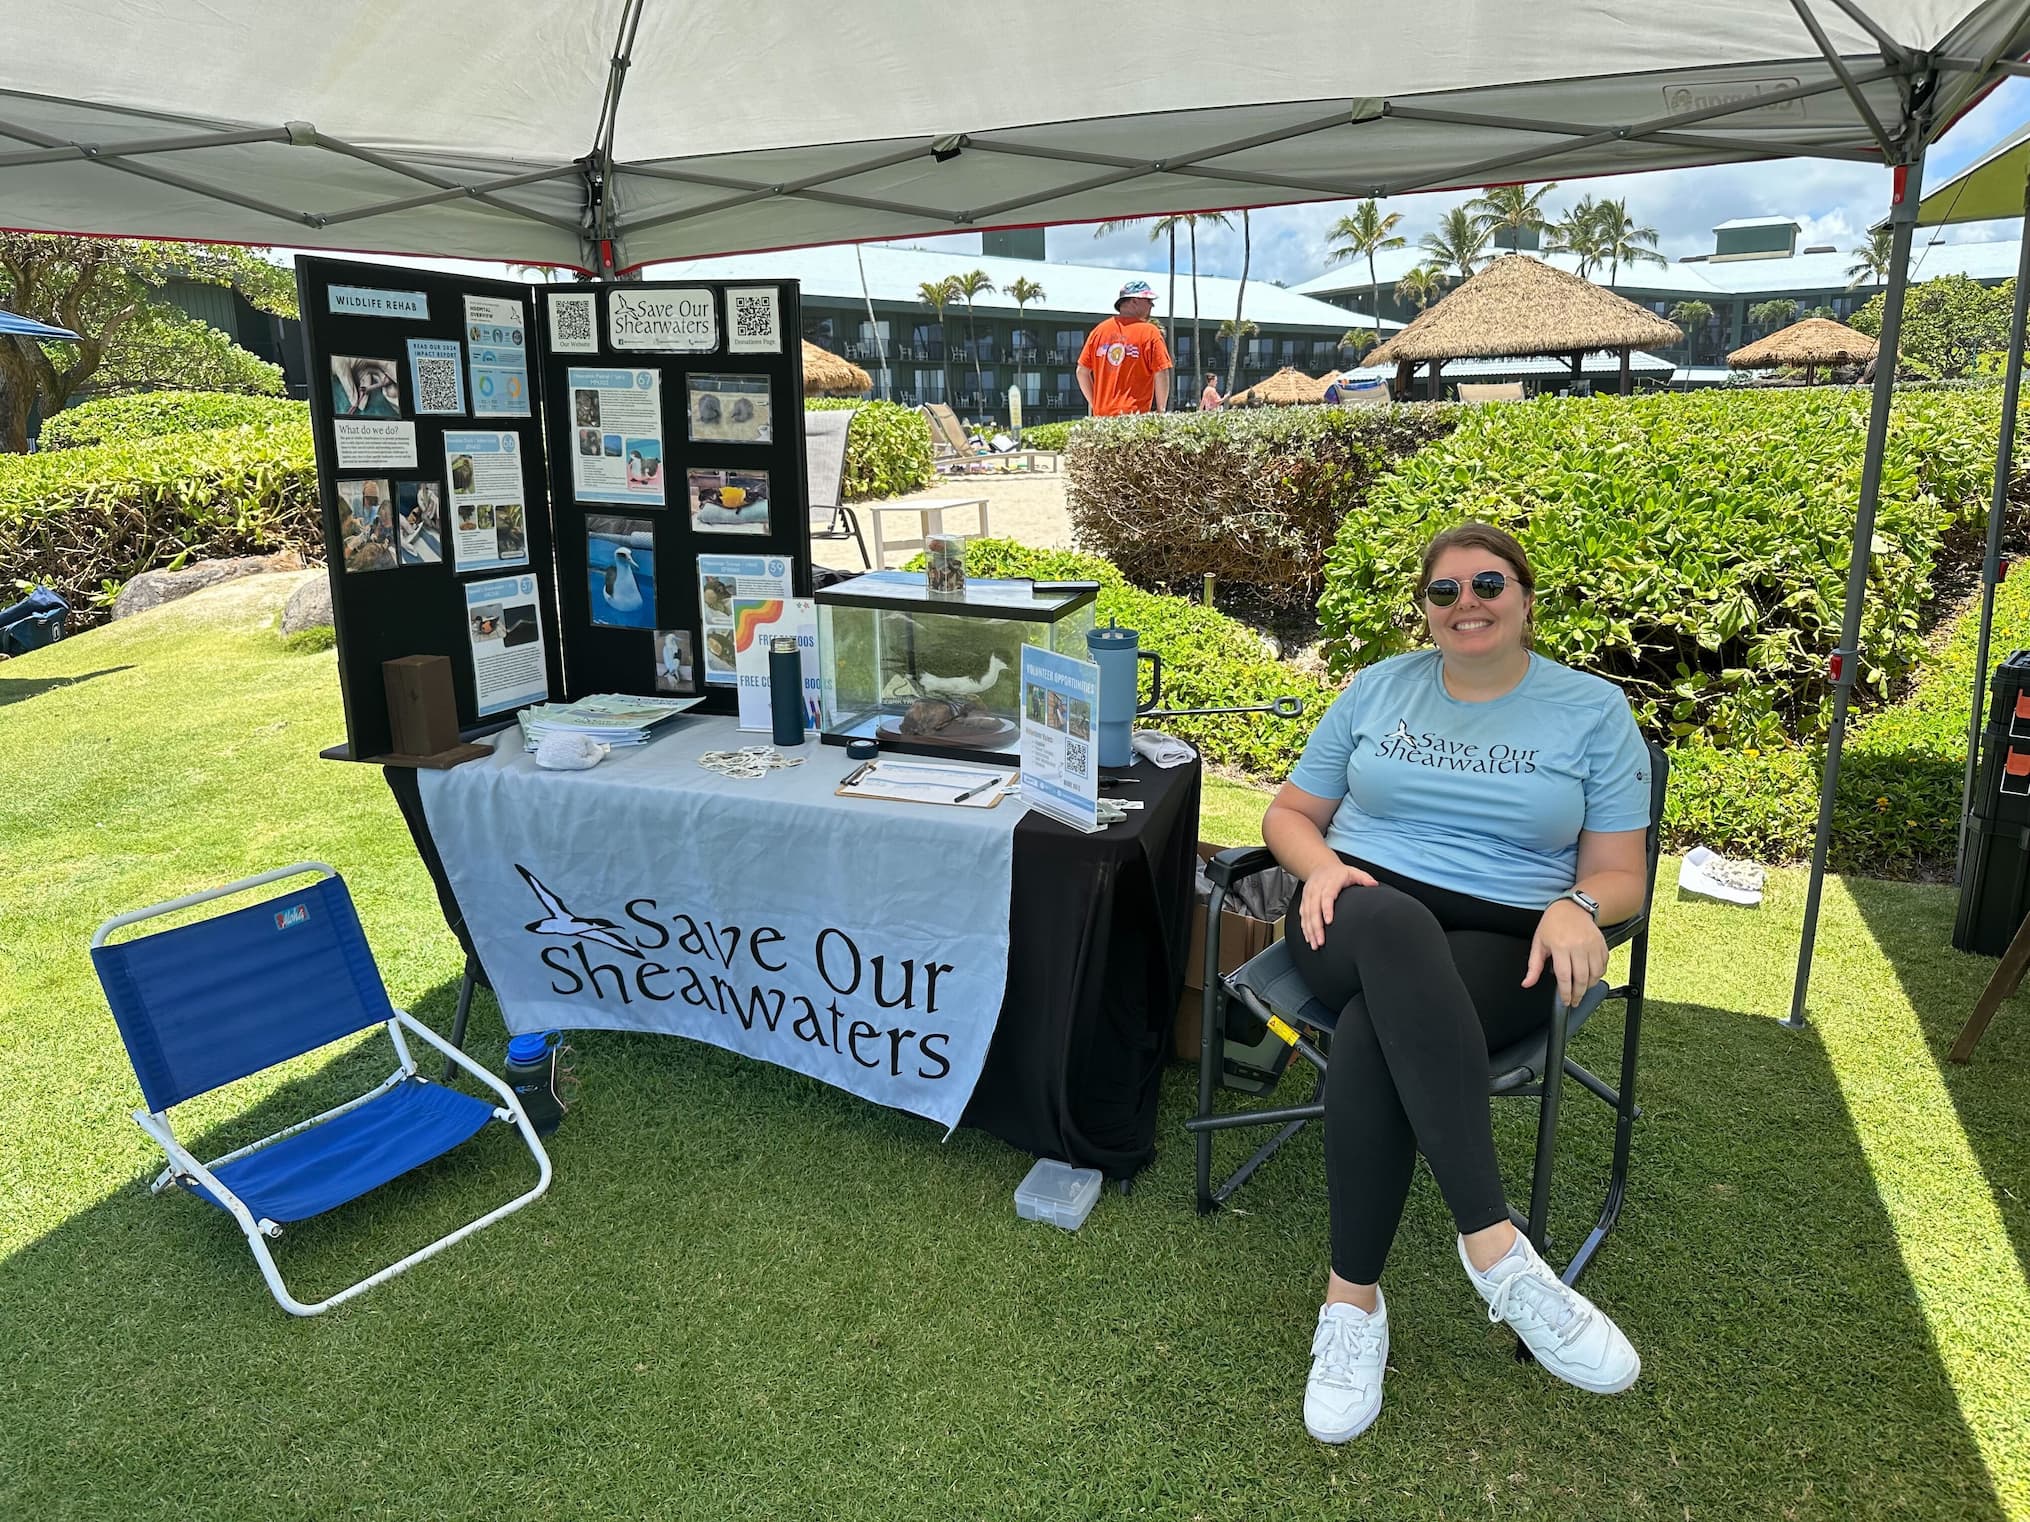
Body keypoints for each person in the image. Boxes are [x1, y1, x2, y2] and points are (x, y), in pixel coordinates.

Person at [1261, 520, 1650, 1444]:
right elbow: (1289, 815)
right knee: (1396, 925)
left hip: (1508, 930)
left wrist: (1581, 906)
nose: (1465, 604)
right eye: (1444, 591)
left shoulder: (1593, 712)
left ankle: (1352, 1304)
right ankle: (1496, 1247)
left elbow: (1622, 874)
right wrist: (1320, 865)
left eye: (1487, 585)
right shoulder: (1378, 688)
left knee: (1375, 1032)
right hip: (1354, 909)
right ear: (1426, 609)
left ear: (1524, 599)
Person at [1077, 280, 1173, 417]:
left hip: (1102, 420)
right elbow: (1161, 372)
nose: (1152, 305)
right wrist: (1161, 411)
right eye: (1148, 300)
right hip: (1135, 418)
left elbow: (1081, 372)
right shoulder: (1150, 332)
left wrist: (1095, 405)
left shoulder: (1099, 331)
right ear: (1134, 301)